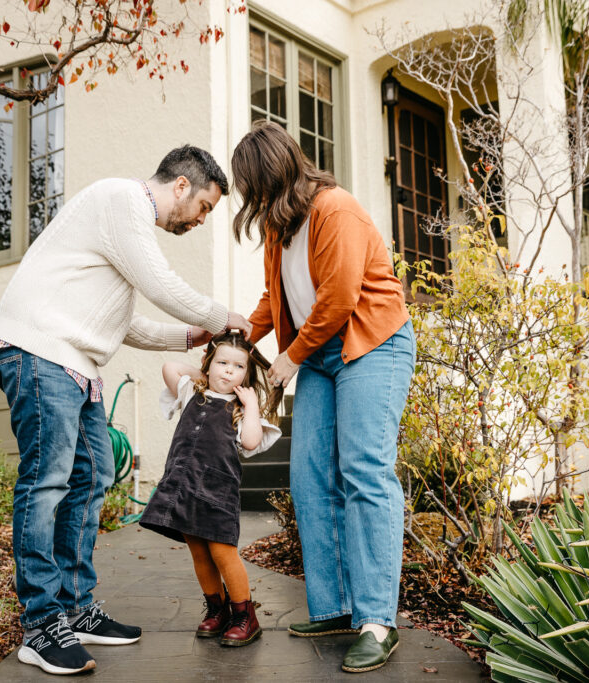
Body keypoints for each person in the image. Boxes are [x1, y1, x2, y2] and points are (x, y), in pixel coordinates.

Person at [0, 146, 252, 675]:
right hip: (40, 352)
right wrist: (221, 317)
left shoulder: (122, 238)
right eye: (204, 207)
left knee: (95, 476)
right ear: (180, 186)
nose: (200, 219)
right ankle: (40, 624)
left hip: (74, 360)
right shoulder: (120, 199)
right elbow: (160, 284)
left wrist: (190, 335)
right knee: (47, 482)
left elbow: (125, 324)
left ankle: (77, 608)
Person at [231, 121, 416, 674]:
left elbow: (338, 300)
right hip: (319, 355)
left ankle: (378, 621)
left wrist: (286, 361)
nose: (252, 199)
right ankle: (336, 608)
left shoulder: (335, 209)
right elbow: (277, 297)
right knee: (310, 476)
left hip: (371, 345)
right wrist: (239, 339)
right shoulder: (277, 227)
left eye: (254, 186)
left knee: (365, 471)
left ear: (277, 174)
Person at [139, 331, 282, 646]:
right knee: (199, 551)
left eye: (238, 367)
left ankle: (245, 614)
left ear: (247, 374)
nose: (229, 371)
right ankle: (217, 609)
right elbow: (170, 367)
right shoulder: (192, 392)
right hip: (183, 487)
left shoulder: (240, 409)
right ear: (208, 365)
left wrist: (252, 404)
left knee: (222, 552)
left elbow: (251, 441)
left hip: (217, 492)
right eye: (222, 363)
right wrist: (202, 373)